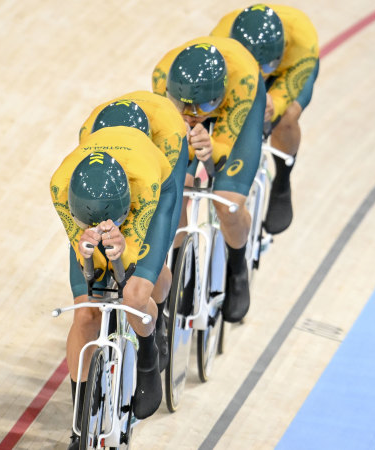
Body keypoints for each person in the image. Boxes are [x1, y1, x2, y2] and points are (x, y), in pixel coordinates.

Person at [50, 125, 173, 449]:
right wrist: (87, 253)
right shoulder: (59, 186)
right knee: (86, 315)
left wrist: (123, 252)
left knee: (134, 295)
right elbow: (86, 265)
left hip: (149, 202)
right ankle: (80, 422)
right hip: (93, 209)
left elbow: (127, 267)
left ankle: (149, 355)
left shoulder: (145, 183)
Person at [152, 36, 266, 323]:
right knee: (174, 193)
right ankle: (182, 268)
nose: (191, 115)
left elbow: (221, 160)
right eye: (183, 105)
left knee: (227, 204)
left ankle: (237, 268)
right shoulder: (161, 76)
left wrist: (210, 150)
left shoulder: (242, 84)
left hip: (236, 113)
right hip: (191, 112)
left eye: (199, 108)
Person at [79, 95, 190, 372]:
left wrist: (127, 258)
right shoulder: (84, 144)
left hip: (156, 181)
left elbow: (149, 230)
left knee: (142, 276)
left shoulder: (154, 157)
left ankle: (156, 324)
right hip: (108, 184)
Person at [211, 4, 319, 234]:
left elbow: (285, 92)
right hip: (238, 72)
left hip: (287, 72)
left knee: (286, 115)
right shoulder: (219, 40)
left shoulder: (302, 39)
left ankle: (282, 181)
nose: (262, 72)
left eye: (266, 66)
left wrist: (275, 104)